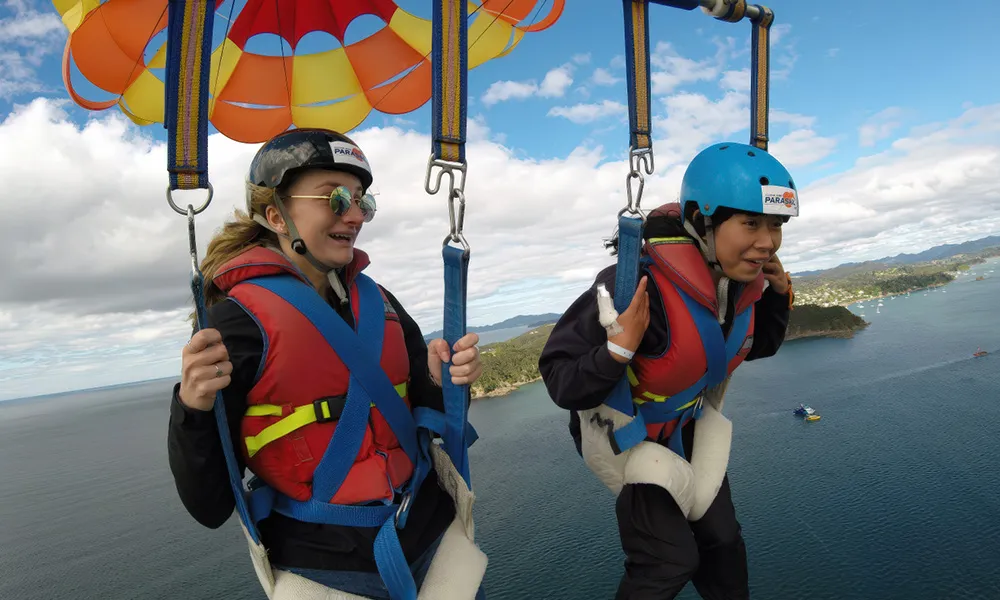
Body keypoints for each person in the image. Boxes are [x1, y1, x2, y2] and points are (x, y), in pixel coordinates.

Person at [167, 128, 488, 600]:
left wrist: (443, 379)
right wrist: (192, 408)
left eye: (362, 201)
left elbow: (426, 405)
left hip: (431, 537)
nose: (355, 215)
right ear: (277, 215)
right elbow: (210, 504)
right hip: (328, 571)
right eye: (335, 198)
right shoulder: (235, 325)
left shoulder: (379, 303)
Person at [538, 142, 798, 600]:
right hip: (625, 436)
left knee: (724, 545)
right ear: (703, 221)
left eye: (776, 225)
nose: (767, 242)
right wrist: (617, 350)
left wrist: (775, 298)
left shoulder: (737, 286)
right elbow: (560, 379)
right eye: (752, 223)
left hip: (684, 424)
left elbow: (756, 348)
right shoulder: (636, 288)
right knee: (668, 560)